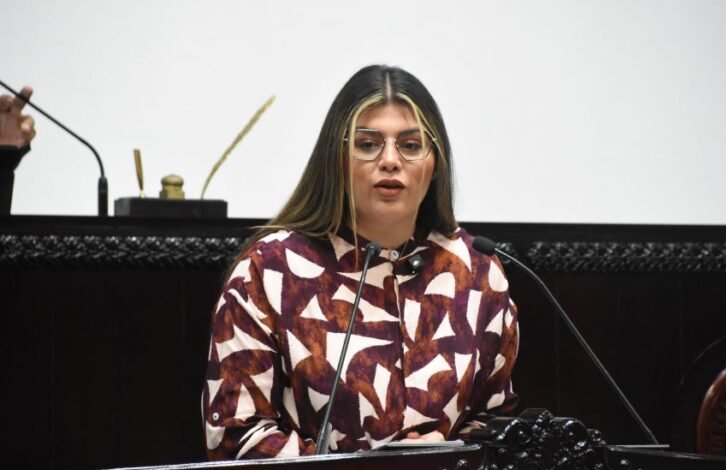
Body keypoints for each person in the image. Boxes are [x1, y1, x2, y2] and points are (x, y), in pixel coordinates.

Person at [202, 65, 520, 460]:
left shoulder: (477, 272)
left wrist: (446, 455)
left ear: (435, 161)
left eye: (411, 145)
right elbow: (235, 437)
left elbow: (497, 425)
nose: (390, 160)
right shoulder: (269, 270)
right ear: (336, 158)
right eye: (368, 144)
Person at [0, 85, 36, 214]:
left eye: (8, 102)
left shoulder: (18, 117)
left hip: (12, 149)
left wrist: (25, 126)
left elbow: (27, 91)